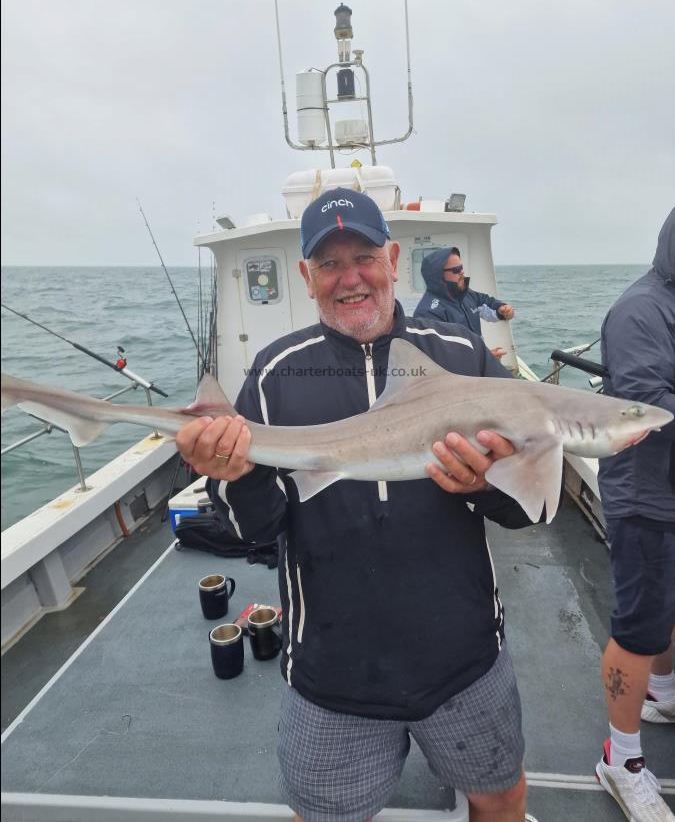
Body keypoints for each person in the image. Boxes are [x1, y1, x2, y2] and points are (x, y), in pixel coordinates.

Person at [177, 187, 539, 822]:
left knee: (502, 798)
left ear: (393, 258)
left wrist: (484, 484)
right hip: (334, 670)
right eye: (329, 264)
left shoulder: (462, 356)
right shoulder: (274, 372)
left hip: (463, 656)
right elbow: (252, 531)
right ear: (305, 277)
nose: (351, 280)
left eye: (365, 257)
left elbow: (529, 510)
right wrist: (233, 476)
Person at [595, 209, 675, 822]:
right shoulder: (640, 311)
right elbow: (647, 401)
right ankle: (620, 759)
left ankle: (665, 694)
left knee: (668, 609)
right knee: (639, 625)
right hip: (646, 496)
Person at [414, 247, 515, 358]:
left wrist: (503, 310)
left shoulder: (466, 294)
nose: (462, 272)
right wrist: (484, 359)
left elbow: (487, 303)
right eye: (456, 270)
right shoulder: (428, 313)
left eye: (461, 267)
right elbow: (440, 355)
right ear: (438, 275)